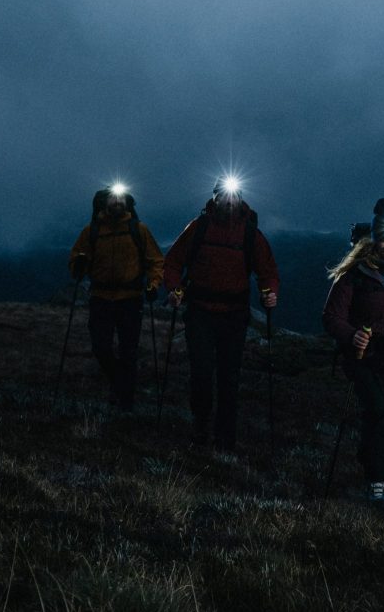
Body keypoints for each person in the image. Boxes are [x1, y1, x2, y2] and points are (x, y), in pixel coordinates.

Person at [163, 178, 280, 452]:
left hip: (234, 316)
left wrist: (269, 292)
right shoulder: (199, 227)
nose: (229, 202)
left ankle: (224, 437)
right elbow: (173, 261)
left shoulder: (250, 234)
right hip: (200, 312)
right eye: (223, 196)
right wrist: (174, 288)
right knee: (202, 374)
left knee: (229, 378)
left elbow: (268, 271)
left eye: (234, 197)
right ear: (214, 198)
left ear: (240, 199)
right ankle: (201, 428)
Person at [322, 199, 384, 520]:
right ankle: (376, 479)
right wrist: (352, 335)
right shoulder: (354, 275)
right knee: (378, 411)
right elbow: (332, 316)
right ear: (373, 238)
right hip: (364, 360)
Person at [68, 185, 165, 415]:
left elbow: (155, 261)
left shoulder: (138, 230)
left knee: (128, 351)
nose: (117, 202)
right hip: (101, 297)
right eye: (113, 199)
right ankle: (120, 384)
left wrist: (153, 284)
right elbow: (75, 261)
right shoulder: (91, 231)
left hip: (130, 299)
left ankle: (125, 403)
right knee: (101, 347)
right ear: (103, 203)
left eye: (121, 199)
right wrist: (79, 265)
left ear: (127, 202)